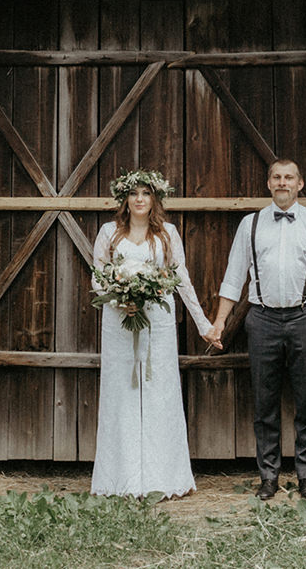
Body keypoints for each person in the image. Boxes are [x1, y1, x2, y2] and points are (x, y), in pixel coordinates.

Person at [206, 158, 306, 501]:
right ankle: (268, 476)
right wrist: (220, 321)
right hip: (263, 319)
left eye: (289, 177)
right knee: (264, 402)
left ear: (300, 184)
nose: (282, 182)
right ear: (268, 184)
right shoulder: (250, 225)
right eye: (277, 177)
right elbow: (233, 277)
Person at [89, 169, 214, 498]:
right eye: (134, 194)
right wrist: (121, 298)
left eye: (146, 194)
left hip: (158, 321)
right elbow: (97, 278)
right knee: (122, 393)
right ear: (125, 199)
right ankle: (122, 479)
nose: (140, 199)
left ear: (154, 198)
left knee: (160, 392)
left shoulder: (168, 234)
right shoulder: (109, 233)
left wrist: (202, 323)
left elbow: (181, 278)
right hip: (120, 322)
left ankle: (161, 478)